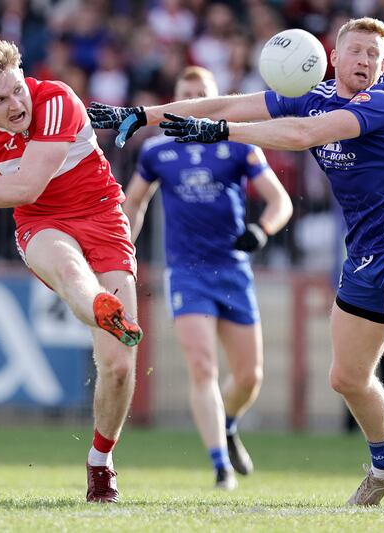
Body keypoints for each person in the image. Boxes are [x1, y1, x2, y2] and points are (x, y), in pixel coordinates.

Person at [88, 17, 384, 512]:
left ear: (383, 66)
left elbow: (302, 134)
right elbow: (223, 102)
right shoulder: (311, 93)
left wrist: (221, 132)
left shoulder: (380, 103)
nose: (364, 61)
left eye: (373, 56)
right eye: (356, 52)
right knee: (346, 377)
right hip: (364, 252)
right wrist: (144, 113)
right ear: (333, 58)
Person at [0, 40, 142, 503]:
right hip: (42, 224)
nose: (15, 104)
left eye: (17, 91)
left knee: (119, 367)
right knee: (66, 269)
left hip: (102, 216)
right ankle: (101, 306)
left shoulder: (58, 99)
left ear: (26, 78)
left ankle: (101, 459)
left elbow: (26, 185)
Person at [123, 66, 292, 490]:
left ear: (213, 101)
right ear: (177, 102)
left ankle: (228, 424)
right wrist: (123, 247)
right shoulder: (156, 152)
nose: (194, 99)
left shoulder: (238, 145)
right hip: (186, 272)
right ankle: (221, 467)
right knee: (202, 367)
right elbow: (134, 203)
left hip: (233, 270)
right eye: (187, 94)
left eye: (203, 93)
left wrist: (261, 230)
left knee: (250, 376)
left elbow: (280, 201)